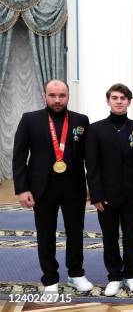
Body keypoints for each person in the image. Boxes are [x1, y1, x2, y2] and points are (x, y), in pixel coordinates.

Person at [12, 79, 93, 293]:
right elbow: (19, 156)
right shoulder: (30, 120)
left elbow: (89, 157)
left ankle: (76, 273)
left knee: (75, 232)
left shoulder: (80, 120)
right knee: (45, 233)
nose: (57, 100)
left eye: (62, 95)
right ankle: (50, 277)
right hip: (41, 187)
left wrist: (93, 185)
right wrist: (22, 188)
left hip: (74, 187)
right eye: (52, 95)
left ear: (68, 96)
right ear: (45, 96)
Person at [85, 83, 133, 296]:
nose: (119, 101)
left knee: (131, 235)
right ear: (108, 101)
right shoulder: (95, 129)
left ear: (129, 102)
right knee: (109, 237)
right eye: (115, 98)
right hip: (106, 196)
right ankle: (114, 276)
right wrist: (96, 196)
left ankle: (131, 274)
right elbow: (91, 166)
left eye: (123, 98)